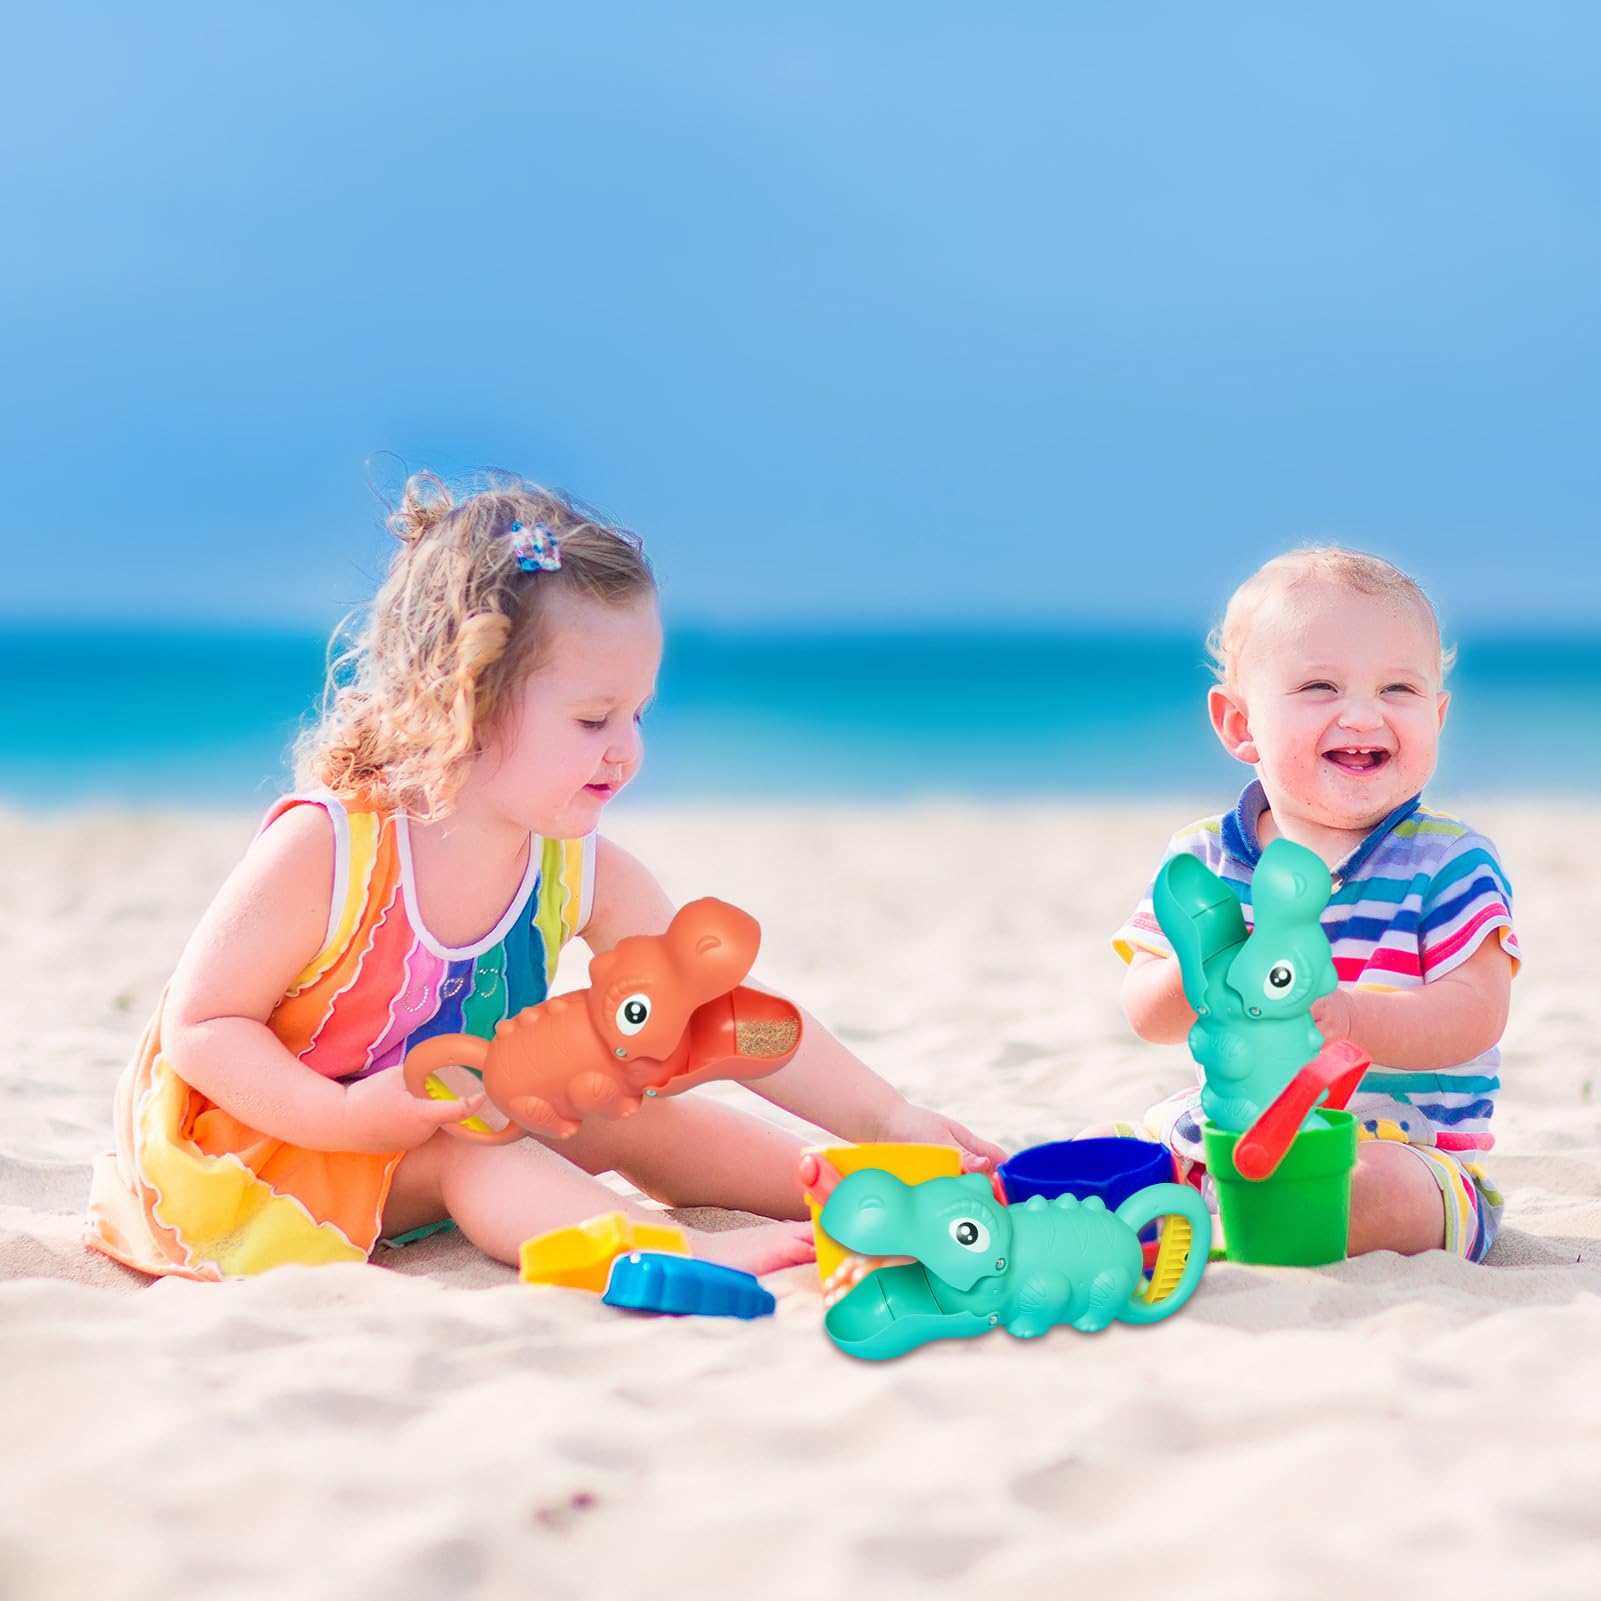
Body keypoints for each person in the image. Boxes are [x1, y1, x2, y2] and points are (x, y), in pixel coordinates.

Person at [86, 471, 1004, 1281]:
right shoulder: (330, 852)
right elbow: (203, 1023)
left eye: (639, 713)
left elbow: (722, 1016)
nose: (628, 751)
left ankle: (843, 1192)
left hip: (433, 1123)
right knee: (470, 1150)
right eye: (594, 718)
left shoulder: (576, 865)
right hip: (271, 1153)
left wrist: (884, 1110)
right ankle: (657, 1245)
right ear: (465, 702)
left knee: (618, 1101)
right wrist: (344, 1116)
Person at [1107, 547, 1518, 1261]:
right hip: (1237, 1133)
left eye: (1398, 689)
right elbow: (1145, 1013)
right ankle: (1204, 1211)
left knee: (1368, 1189)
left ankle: (1227, 1225)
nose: (1362, 713)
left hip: (1406, 1151)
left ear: (1438, 715)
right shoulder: (1205, 858)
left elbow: (1476, 1010)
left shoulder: (1447, 861)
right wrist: (1199, 966)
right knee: (1122, 1161)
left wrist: (1350, 1017)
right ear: (1239, 725)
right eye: (1321, 686)